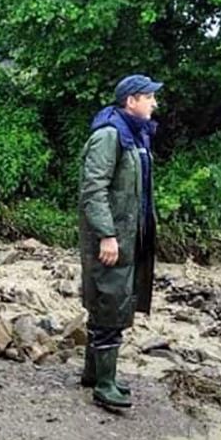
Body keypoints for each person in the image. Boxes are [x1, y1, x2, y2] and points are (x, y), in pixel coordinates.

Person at [78, 74, 162, 412]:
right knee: (109, 302)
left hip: (129, 237)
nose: (154, 104)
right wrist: (107, 235)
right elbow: (93, 190)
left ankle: (94, 373)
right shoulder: (109, 136)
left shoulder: (136, 135)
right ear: (131, 101)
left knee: (113, 301)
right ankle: (104, 384)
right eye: (149, 97)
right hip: (111, 238)